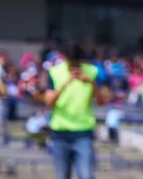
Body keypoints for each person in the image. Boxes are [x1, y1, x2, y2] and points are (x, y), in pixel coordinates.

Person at [43, 43, 109, 179]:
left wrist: (91, 82)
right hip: (60, 132)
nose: (75, 66)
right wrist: (67, 82)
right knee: (62, 176)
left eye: (77, 62)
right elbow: (48, 101)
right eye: (71, 63)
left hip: (83, 132)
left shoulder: (92, 71)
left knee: (86, 175)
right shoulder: (55, 72)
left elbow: (102, 102)